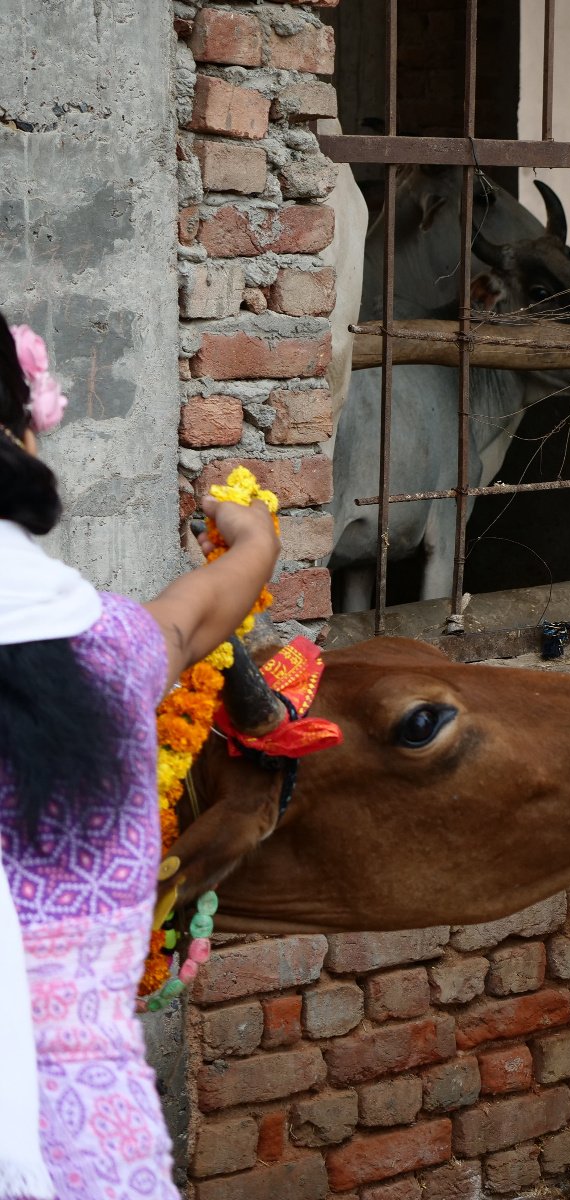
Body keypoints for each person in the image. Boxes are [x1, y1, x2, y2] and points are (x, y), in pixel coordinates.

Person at [0, 309, 278, 1198]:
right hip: (98, 1151)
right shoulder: (110, 652)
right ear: (25, 432)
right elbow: (195, 618)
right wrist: (256, 537)